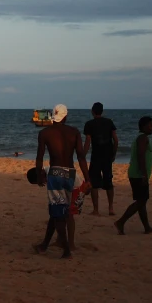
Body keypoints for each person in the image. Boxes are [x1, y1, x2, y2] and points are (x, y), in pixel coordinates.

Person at [33, 104, 90, 259]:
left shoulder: (45, 133)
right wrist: (87, 178)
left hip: (55, 174)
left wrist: (39, 175)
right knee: (58, 211)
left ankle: (66, 251)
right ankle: (44, 245)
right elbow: (81, 157)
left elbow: (39, 157)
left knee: (57, 211)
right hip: (70, 174)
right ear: (65, 116)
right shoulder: (74, 132)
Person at [114, 116, 152, 235]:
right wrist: (144, 175)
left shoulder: (141, 138)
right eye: (150, 125)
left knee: (142, 201)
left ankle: (147, 227)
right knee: (141, 201)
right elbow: (140, 156)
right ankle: (120, 222)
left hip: (137, 174)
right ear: (144, 127)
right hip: (138, 174)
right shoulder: (142, 138)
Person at [83, 102, 119, 216]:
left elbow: (88, 142)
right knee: (108, 182)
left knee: (94, 182)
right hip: (107, 156)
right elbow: (116, 140)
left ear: (92, 111)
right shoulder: (109, 122)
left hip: (96, 156)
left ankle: (96, 209)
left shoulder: (89, 124)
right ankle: (111, 208)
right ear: (102, 111)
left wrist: (82, 155)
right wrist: (113, 154)